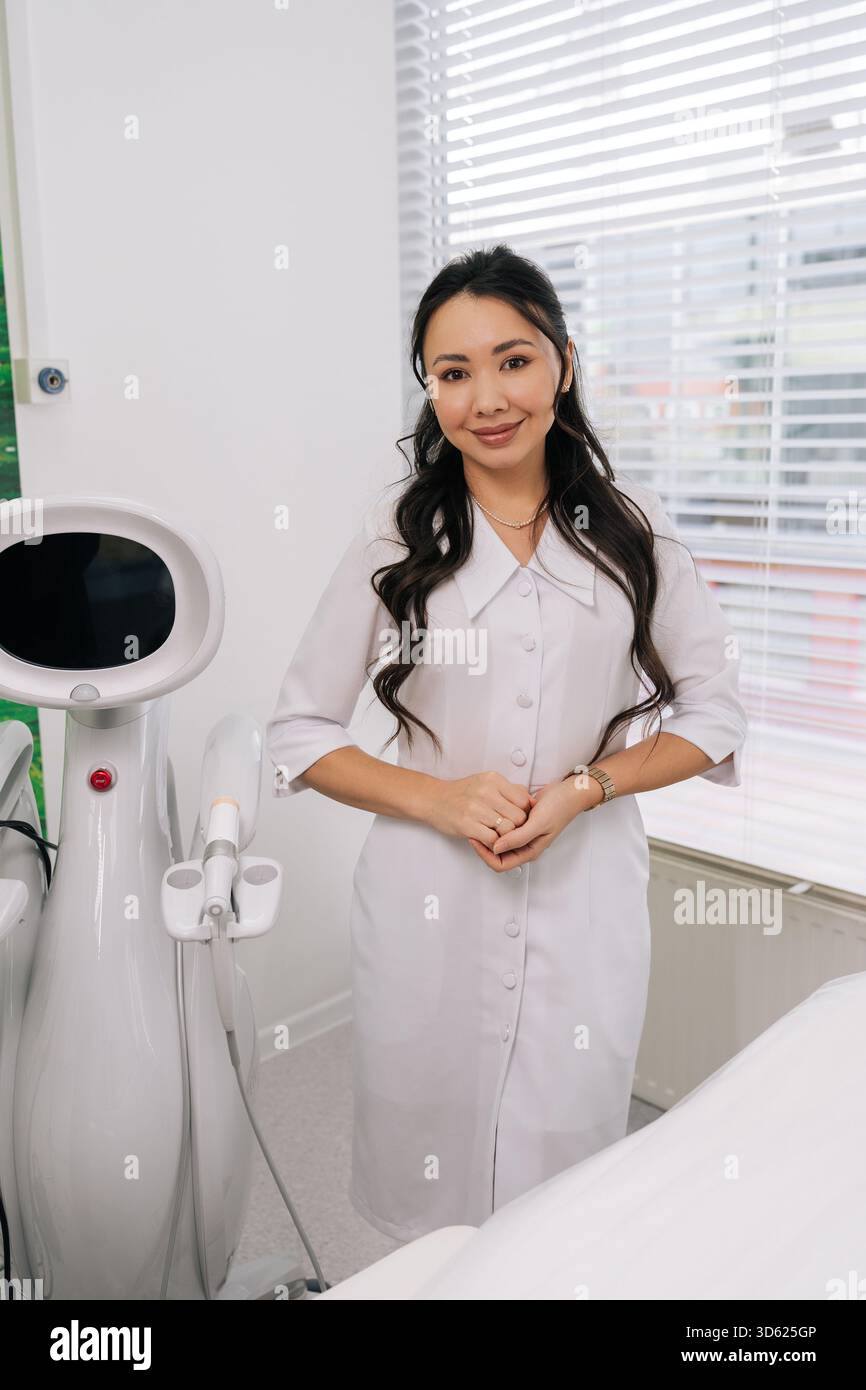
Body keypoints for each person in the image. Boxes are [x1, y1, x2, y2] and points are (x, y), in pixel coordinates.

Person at [265, 243, 747, 1244]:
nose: (485, 397)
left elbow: (712, 715)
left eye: (513, 360)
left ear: (562, 364)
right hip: (424, 902)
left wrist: (583, 787)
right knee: (429, 1185)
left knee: (562, 1185)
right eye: (453, 372)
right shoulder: (395, 538)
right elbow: (300, 731)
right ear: (431, 391)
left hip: (586, 899)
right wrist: (438, 798)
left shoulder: (632, 531)